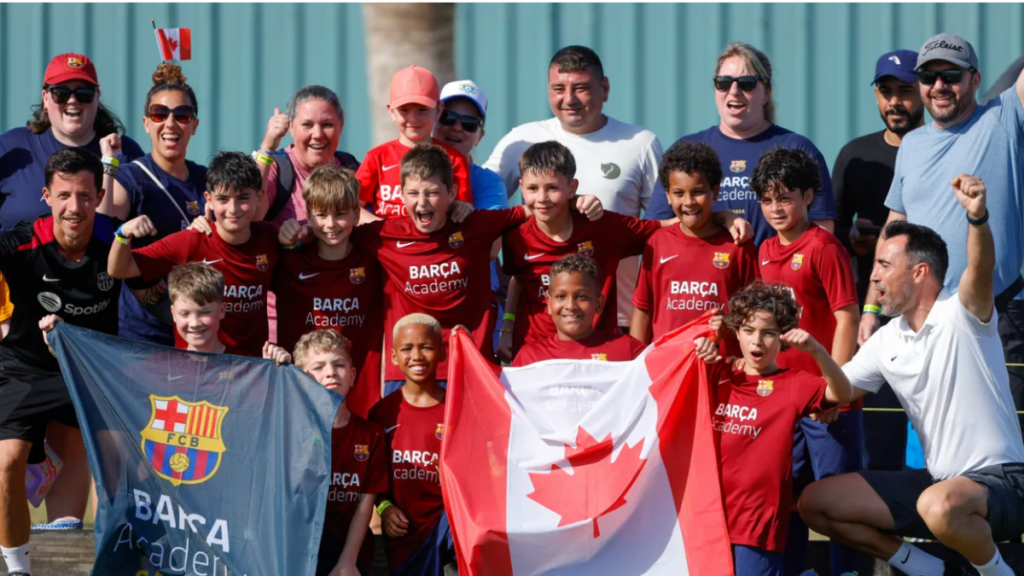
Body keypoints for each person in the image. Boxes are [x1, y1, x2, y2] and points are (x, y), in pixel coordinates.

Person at [799, 175, 1024, 576]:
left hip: (1004, 483)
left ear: (920, 272)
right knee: (816, 502)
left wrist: (978, 217)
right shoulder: (886, 342)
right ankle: (923, 568)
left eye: (884, 265)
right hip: (937, 487)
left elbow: (982, 266)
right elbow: (837, 390)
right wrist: (813, 370)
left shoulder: (963, 314)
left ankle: (997, 573)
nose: (873, 276)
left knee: (938, 505)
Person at [333, 145, 602, 396]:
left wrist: (580, 200)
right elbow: (332, 230)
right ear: (401, 194)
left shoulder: (475, 225)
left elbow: (534, 207)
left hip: (472, 367)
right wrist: (298, 233)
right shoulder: (384, 235)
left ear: (452, 193)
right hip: (408, 372)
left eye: (433, 193)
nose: (423, 202)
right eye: (413, 193)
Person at [859, 33, 1024, 433]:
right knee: (946, 436)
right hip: (930, 319)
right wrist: (871, 307)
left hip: (998, 313)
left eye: (950, 76)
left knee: (1011, 432)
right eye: (929, 78)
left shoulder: (1003, 118)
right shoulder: (912, 144)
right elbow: (894, 232)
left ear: (975, 79)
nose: (939, 87)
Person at [0, 150, 123, 576]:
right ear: (46, 196)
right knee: (9, 463)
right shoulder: (19, 244)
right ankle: (17, 568)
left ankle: (79, 562)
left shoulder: (116, 246)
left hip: (87, 372)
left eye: (85, 196)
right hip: (25, 368)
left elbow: (158, 295)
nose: (75, 207)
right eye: (64, 195)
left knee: (110, 468)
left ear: (99, 195)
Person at [483, 45, 665, 333]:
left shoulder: (640, 143)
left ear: (604, 88)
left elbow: (666, 224)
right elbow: (481, 207)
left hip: (617, 319)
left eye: (580, 88)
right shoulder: (521, 139)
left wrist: (722, 218)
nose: (569, 99)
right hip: (539, 325)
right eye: (559, 88)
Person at [693, 282, 853, 576]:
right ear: (736, 332)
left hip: (758, 527)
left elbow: (843, 393)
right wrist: (702, 343)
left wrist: (818, 352)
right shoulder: (716, 371)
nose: (758, 341)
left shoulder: (792, 383)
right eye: (750, 330)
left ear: (783, 339)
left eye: (768, 333)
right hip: (708, 520)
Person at [751, 147, 861, 575]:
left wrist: (838, 390)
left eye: (785, 197)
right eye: (767, 199)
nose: (776, 208)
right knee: (787, 494)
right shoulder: (762, 250)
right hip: (785, 397)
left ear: (809, 196)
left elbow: (846, 315)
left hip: (826, 400)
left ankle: (845, 570)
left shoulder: (823, 247)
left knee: (837, 500)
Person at [645, 42, 837, 246]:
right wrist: (721, 217)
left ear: (767, 92)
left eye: (746, 83)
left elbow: (822, 231)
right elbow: (655, 229)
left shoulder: (797, 149)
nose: (734, 91)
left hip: (775, 277)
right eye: (724, 83)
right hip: (705, 277)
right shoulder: (688, 149)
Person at [832, 50, 923, 472]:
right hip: (874, 309)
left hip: (929, 306)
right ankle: (884, 522)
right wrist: (853, 240)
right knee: (880, 425)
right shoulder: (855, 154)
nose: (895, 102)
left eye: (905, 91)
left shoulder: (938, 151)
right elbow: (830, 231)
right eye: (885, 92)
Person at [499, 142, 667, 362]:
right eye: (533, 188)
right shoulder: (516, 236)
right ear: (521, 187)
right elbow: (518, 280)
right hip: (536, 353)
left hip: (597, 354)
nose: (542, 198)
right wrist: (507, 328)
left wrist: (720, 218)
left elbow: (664, 228)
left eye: (552, 188)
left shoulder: (601, 226)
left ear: (572, 188)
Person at [108, 151, 279, 357]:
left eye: (242, 198)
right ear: (209, 199)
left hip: (251, 371)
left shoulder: (270, 238)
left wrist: (300, 234)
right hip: (195, 373)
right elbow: (119, 269)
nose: (233, 209)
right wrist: (122, 234)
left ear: (259, 197)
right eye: (223, 199)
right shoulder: (191, 240)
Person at [97, 63, 209, 346]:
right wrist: (109, 163)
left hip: (200, 332)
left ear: (194, 125)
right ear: (146, 123)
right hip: (146, 335)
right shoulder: (132, 177)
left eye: (182, 115)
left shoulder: (206, 179)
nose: (170, 124)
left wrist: (268, 149)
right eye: (159, 114)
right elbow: (100, 228)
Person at [264, 330, 388, 576]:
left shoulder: (371, 435)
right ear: (301, 379)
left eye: (339, 364)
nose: (330, 372)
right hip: (295, 551)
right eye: (318, 367)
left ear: (352, 376)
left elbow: (365, 507)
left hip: (349, 553)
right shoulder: (287, 428)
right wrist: (271, 372)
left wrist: (347, 562)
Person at [272, 165, 384, 418]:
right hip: (301, 395)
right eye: (321, 215)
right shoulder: (288, 261)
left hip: (360, 400)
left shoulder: (376, 260)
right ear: (309, 216)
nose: (331, 224)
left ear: (357, 214)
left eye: (341, 214)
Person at [630, 141, 759, 346]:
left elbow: (755, 314)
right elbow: (643, 309)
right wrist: (635, 364)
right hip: (666, 368)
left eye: (698, 192)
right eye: (679, 193)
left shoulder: (739, 246)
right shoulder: (657, 243)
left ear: (715, 192)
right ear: (668, 196)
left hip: (723, 368)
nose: (688, 201)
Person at [0, 52, 144, 231]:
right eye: (61, 93)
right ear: (45, 98)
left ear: (97, 98)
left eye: (84, 94)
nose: (73, 101)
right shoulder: (11, 147)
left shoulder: (126, 153)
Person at [369, 314, 453, 576]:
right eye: (407, 348)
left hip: (450, 528)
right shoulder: (382, 413)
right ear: (394, 357)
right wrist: (384, 509)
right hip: (405, 536)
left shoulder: (458, 408)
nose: (416, 355)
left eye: (426, 346)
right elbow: (373, 480)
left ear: (442, 352)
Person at [432, 80, 510, 352]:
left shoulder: (488, 182)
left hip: (474, 313)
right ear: (432, 117)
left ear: (480, 135)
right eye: (448, 117)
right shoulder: (396, 168)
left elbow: (491, 247)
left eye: (469, 124)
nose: (456, 127)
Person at [357, 66, 473, 220]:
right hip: (385, 242)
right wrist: (386, 231)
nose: (413, 118)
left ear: (438, 110)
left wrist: (463, 207)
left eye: (422, 109)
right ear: (391, 111)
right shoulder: (376, 157)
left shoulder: (455, 159)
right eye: (404, 110)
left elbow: (463, 207)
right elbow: (352, 209)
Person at [254, 85, 362, 227]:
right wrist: (267, 147)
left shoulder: (350, 166)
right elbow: (252, 217)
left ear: (340, 127)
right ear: (291, 128)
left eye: (327, 124)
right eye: (307, 125)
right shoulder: (275, 167)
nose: (317, 134)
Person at [512, 255, 645, 366]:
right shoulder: (529, 357)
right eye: (561, 296)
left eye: (582, 296)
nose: (570, 306)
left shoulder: (627, 349)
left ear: (598, 304)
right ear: (549, 303)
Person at [168, 263, 226, 354]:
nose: (194, 324)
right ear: (173, 313)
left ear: (222, 310)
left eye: (204, 312)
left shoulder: (246, 365)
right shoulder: (162, 364)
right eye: (184, 314)